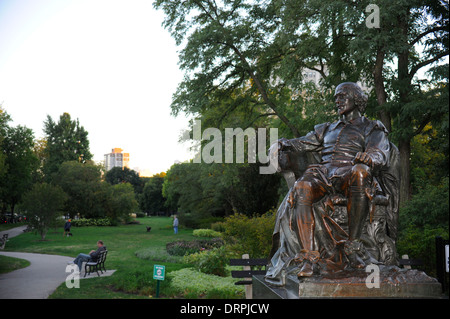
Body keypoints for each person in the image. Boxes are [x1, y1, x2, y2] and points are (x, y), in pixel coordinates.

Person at [266, 82, 393, 281]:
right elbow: (301, 143)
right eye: (336, 97)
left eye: (342, 96)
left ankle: (353, 246)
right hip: (323, 173)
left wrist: (370, 158)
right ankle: (309, 257)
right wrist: (282, 143)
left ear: (357, 99)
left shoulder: (371, 127)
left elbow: (379, 152)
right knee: (302, 187)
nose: (337, 100)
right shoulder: (325, 129)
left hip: (349, 172)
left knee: (360, 172)